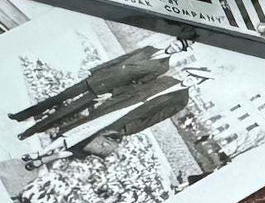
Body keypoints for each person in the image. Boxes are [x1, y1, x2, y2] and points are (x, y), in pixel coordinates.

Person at [10, 38, 195, 139]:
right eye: (176, 43)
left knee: (67, 111)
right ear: (172, 41)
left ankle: (30, 132)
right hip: (98, 78)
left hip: (105, 89)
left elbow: (137, 84)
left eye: (179, 48)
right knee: (58, 98)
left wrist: (112, 94)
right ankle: (21, 116)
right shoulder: (148, 49)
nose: (175, 47)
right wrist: (93, 70)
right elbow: (118, 61)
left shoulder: (162, 67)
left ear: (180, 52)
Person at [21, 79, 204, 169]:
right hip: (115, 107)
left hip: (126, 121)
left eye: (196, 80)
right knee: (76, 131)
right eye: (191, 75)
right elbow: (134, 87)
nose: (190, 79)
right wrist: (112, 93)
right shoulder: (167, 80)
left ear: (197, 83)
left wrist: (128, 129)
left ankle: (42, 160)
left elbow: (156, 118)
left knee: (83, 146)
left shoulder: (181, 100)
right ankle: (39, 154)